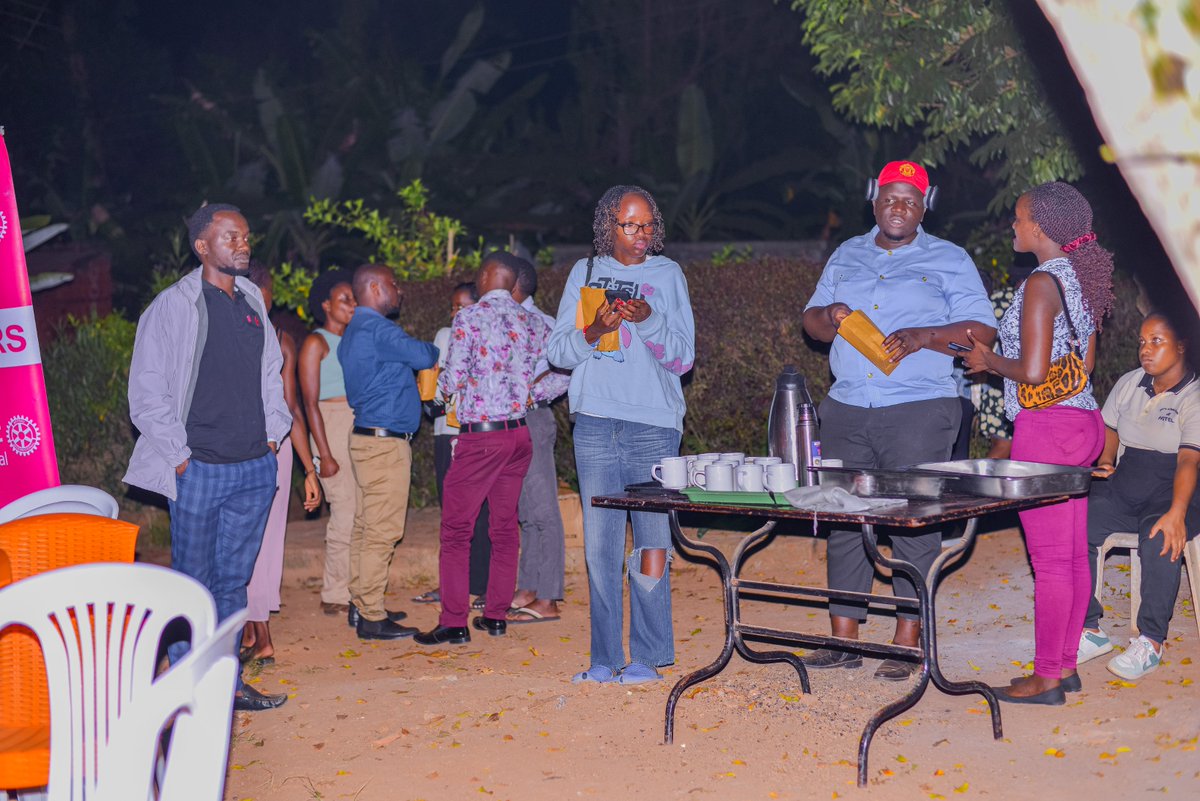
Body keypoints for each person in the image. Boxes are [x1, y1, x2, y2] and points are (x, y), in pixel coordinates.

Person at [801, 161, 996, 681]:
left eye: (911, 200)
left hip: (919, 407)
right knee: (844, 516)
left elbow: (983, 332)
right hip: (847, 405)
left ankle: (907, 640)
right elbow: (812, 324)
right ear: (874, 200)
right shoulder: (846, 254)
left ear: (924, 205)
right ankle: (843, 639)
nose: (899, 207)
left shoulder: (949, 259)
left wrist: (924, 337)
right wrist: (832, 314)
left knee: (910, 521)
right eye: (891, 197)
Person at [125, 202, 291, 711]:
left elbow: (270, 374)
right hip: (199, 471)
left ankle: (226, 684)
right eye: (230, 237)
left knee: (233, 585)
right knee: (193, 584)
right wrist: (180, 457)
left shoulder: (252, 302)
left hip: (253, 468)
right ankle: (184, 687)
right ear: (202, 246)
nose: (242, 245)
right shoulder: (173, 306)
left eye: (245, 237)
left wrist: (272, 438)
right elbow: (146, 394)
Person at [962, 181, 1115, 704]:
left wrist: (987, 361)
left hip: (1047, 427)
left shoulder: (1040, 284)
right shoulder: (1079, 277)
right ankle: (1065, 665)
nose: (1014, 224)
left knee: (1051, 561)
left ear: (1043, 227)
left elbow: (1030, 371)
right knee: (1071, 556)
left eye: (1019, 217)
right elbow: (1086, 364)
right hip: (1082, 421)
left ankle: (1047, 677)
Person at [547, 185, 695, 685]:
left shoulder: (667, 274)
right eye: (630, 224)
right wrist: (594, 329)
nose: (640, 234)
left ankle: (648, 657)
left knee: (651, 543)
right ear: (608, 226)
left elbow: (683, 357)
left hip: (653, 425)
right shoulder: (584, 273)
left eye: (648, 224)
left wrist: (649, 320)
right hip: (594, 423)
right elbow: (558, 353)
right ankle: (604, 658)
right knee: (599, 548)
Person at [414, 255, 550, 645]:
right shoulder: (534, 321)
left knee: (457, 530)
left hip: (482, 437)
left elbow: (453, 376)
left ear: (490, 276)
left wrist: (436, 394)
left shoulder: (470, 317)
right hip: (518, 435)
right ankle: (495, 616)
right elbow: (558, 370)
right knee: (505, 528)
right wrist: (530, 394)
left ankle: (454, 621)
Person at [1077, 311, 1200, 680]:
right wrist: (1106, 460)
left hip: (1179, 490)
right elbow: (1109, 426)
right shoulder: (1131, 382)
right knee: (1075, 521)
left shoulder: (1194, 397)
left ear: (1181, 346)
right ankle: (1090, 629)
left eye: (1156, 342)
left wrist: (1177, 512)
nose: (1146, 350)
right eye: (1142, 342)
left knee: (1160, 535)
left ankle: (1151, 640)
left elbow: (1189, 463)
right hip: (1128, 484)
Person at [339, 264, 438, 640]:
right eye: (394, 285)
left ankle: (361, 602)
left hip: (368, 437)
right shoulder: (377, 328)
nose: (400, 291)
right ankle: (371, 616)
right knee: (382, 531)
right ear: (376, 288)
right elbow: (425, 355)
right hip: (384, 443)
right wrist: (427, 351)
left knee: (366, 527)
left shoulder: (355, 330)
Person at [241, 263, 322, 664]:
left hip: (254, 449)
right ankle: (253, 632)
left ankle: (262, 636)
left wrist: (310, 468)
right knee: (263, 542)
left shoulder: (275, 338)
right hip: (267, 449)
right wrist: (309, 469)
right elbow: (290, 410)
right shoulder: (277, 337)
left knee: (249, 543)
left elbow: (289, 410)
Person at [412, 281, 492, 611]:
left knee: (482, 512)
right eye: (453, 307)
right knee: (454, 512)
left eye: (463, 307)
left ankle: (483, 584)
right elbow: (434, 382)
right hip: (448, 431)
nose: (456, 313)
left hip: (476, 432)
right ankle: (453, 585)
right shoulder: (446, 334)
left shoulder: (488, 335)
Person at [508, 255, 572, 623]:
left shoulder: (542, 323)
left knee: (544, 510)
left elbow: (567, 372)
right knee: (526, 512)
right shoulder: (507, 322)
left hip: (532, 419)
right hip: (512, 422)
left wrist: (530, 392)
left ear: (514, 285)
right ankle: (529, 587)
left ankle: (548, 598)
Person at [298, 269, 358, 616]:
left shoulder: (352, 341)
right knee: (344, 510)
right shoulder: (315, 343)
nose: (351, 305)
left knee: (359, 510)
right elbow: (309, 403)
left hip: (356, 420)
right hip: (329, 423)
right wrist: (324, 454)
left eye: (353, 299)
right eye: (344, 300)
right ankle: (335, 592)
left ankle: (355, 587)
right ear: (325, 305)